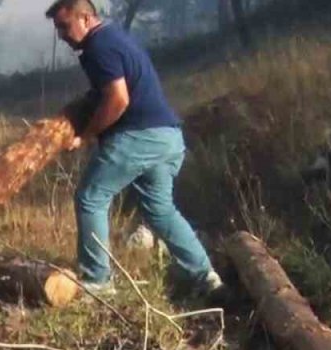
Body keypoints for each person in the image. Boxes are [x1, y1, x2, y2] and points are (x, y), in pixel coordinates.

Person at [47, 0, 223, 298]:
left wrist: (86, 136)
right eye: (58, 29)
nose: (62, 35)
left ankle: (98, 282)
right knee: (161, 210)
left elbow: (118, 99)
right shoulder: (116, 37)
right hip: (168, 137)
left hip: (138, 136)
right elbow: (111, 90)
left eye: (65, 26)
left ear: (86, 18)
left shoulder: (98, 47)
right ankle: (205, 276)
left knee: (91, 198)